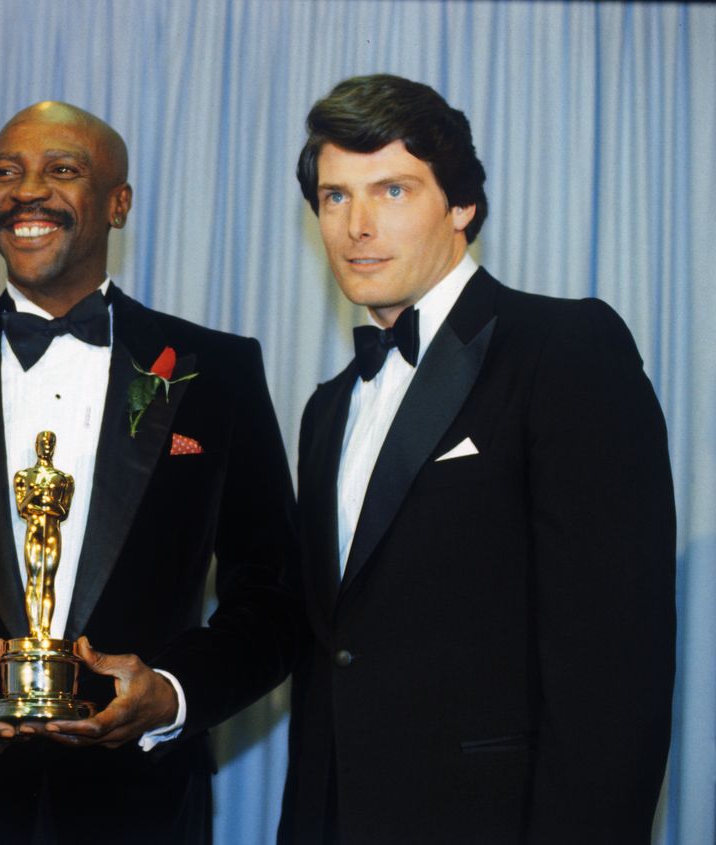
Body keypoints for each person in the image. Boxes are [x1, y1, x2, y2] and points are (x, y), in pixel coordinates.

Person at [0, 101, 299, 843]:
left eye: (62, 170)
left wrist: (173, 694)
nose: (26, 192)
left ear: (118, 202)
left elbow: (275, 598)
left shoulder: (218, 374)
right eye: (5, 173)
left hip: (140, 812)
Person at [283, 74, 676, 844]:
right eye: (335, 197)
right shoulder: (327, 407)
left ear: (462, 205)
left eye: (392, 190)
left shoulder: (565, 351)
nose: (358, 224)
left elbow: (613, 675)